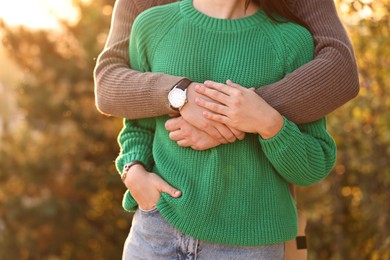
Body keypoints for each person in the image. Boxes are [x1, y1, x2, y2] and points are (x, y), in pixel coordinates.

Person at [114, 0, 337, 258]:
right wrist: (133, 170)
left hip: (250, 244)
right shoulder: (152, 26)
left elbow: (314, 164)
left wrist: (269, 123)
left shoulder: (291, 41)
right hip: (155, 231)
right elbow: (137, 126)